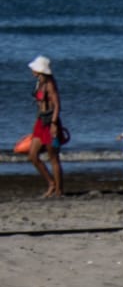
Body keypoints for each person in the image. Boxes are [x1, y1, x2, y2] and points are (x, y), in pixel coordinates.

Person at [26, 55, 64, 198]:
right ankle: (51, 183)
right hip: (40, 122)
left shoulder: (50, 84)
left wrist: (54, 124)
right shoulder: (39, 83)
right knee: (32, 156)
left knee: (53, 157)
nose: (32, 71)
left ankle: (59, 190)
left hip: (50, 123)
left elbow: (57, 105)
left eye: (34, 68)